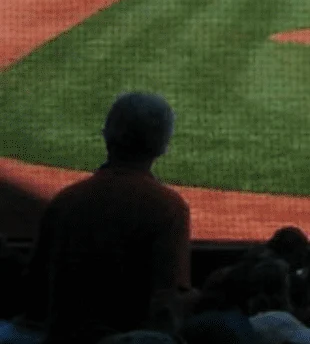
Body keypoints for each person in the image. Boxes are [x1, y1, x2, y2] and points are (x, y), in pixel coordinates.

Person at [22, 92, 191, 344]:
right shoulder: (167, 207)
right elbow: (166, 302)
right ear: (162, 145)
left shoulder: (65, 201)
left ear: (106, 136)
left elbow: (35, 289)